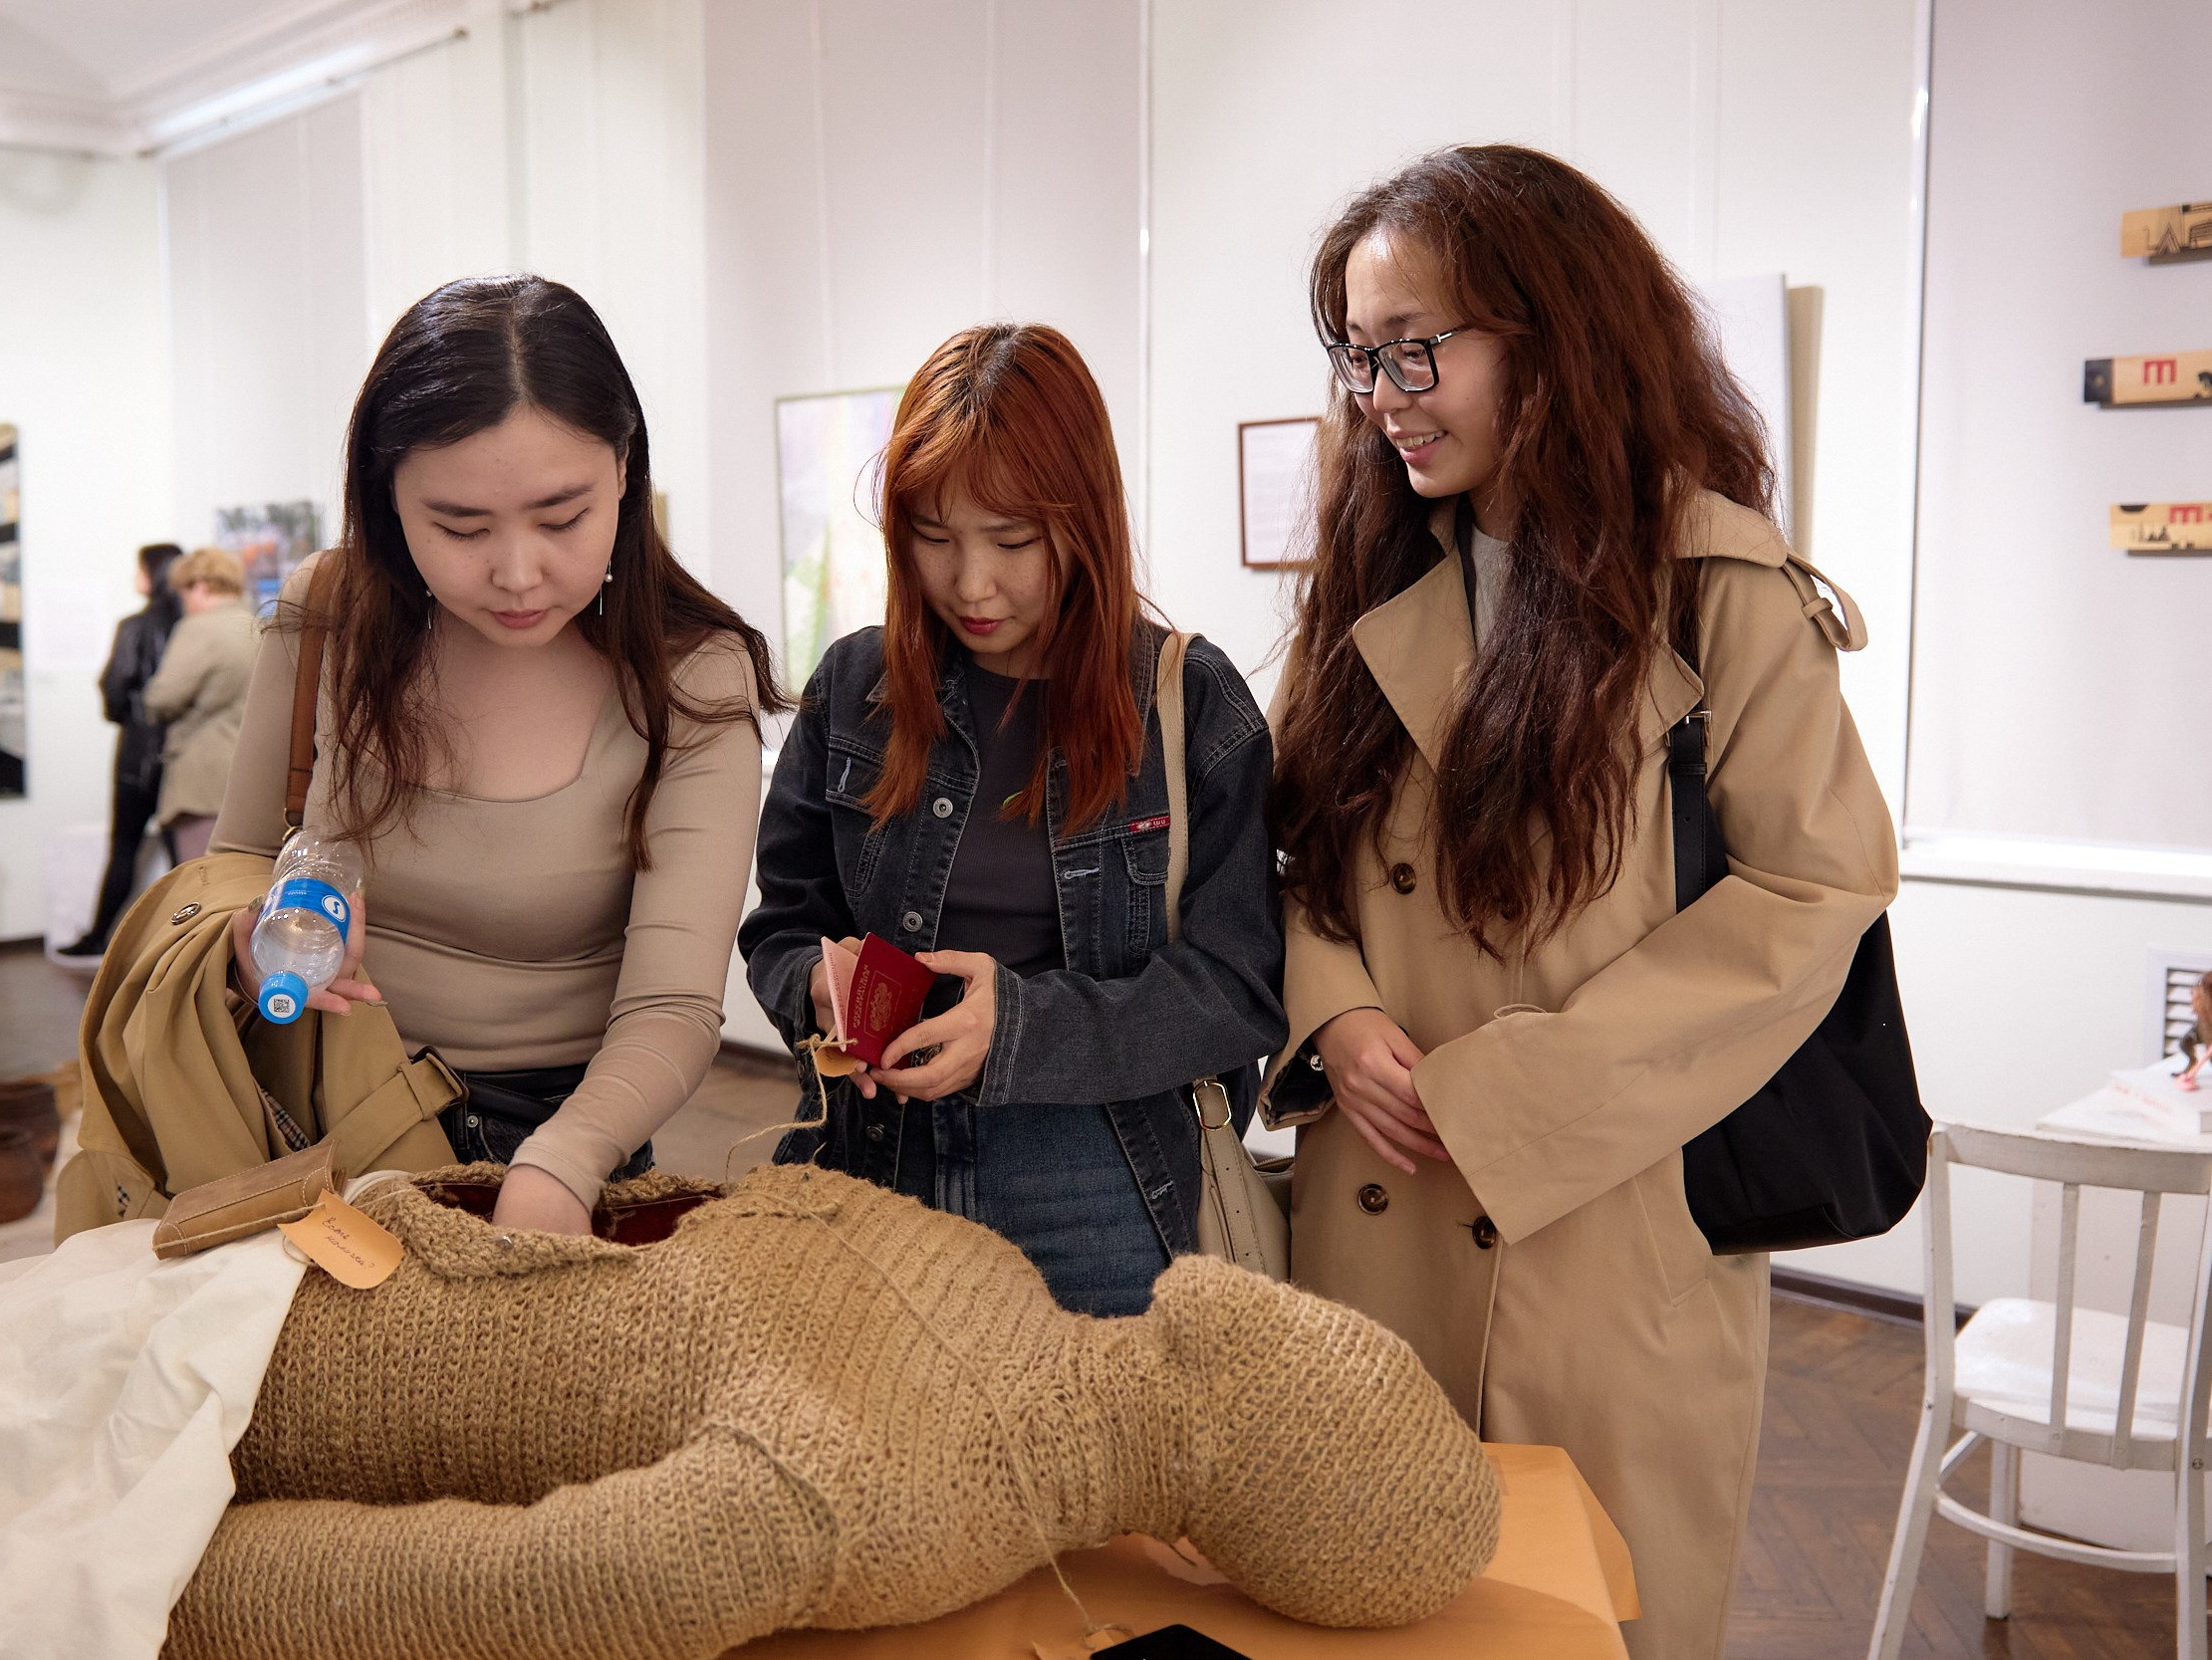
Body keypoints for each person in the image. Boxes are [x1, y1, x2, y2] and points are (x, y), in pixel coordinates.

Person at [1258, 144, 1899, 1660]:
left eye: (1418, 347)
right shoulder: (1364, 578)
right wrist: (1332, 1008)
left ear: (1556, 335)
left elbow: (1820, 881)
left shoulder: (1718, 587)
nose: (1384, 394)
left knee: (1590, 1621)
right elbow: (1286, 850)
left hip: (1610, 1237)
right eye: (1362, 356)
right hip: (1380, 1216)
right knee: (1371, 1610)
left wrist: (1518, 1095)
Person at [206, 273, 782, 1236]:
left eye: (563, 519)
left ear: (627, 472)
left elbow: (675, 1003)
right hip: (312, 1117)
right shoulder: (331, 617)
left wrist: (561, 1162)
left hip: (564, 1136)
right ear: (387, 499)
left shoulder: (691, 676)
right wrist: (246, 937)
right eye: (459, 527)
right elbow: (230, 869)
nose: (518, 573)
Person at [740, 323, 1286, 1317]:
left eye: (1012, 540)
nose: (971, 583)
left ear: (1082, 520)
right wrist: (816, 988)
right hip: (872, 1163)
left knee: (1098, 1467)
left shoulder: (1188, 701)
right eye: (935, 538)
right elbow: (782, 922)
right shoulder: (856, 685)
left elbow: (1240, 986)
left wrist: (1023, 1027)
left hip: (1099, 1179)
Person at [60, 543, 183, 961]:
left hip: (137, 756)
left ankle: (98, 938)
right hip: (182, 753)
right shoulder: (193, 625)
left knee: (124, 848)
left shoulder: (134, 626)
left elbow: (114, 688)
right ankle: (187, 945)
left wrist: (126, 712)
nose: (134, 578)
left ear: (152, 574)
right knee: (184, 853)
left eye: (138, 569)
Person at [144, 546, 257, 863]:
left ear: (200, 585)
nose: (184, 603)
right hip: (249, 778)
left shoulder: (199, 629)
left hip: (202, 781)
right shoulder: (258, 626)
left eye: (184, 593)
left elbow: (161, 697)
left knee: (200, 893)